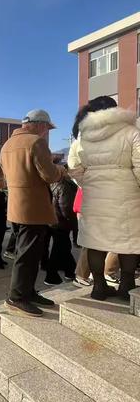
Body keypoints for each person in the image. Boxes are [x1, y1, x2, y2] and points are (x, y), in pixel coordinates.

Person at [68, 96, 140, 301]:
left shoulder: (83, 137)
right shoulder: (131, 132)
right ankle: (126, 285)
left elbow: (74, 167)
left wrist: (89, 183)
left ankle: (98, 286)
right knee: (129, 242)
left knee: (95, 241)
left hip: (94, 194)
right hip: (126, 192)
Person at [0, 109, 64, 317]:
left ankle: (27, 292)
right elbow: (50, 175)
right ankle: (16, 297)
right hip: (33, 208)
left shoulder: (7, 145)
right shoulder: (36, 143)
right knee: (28, 254)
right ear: (38, 124)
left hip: (17, 206)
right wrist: (61, 169)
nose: (46, 132)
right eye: (46, 127)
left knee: (27, 252)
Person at [72, 187, 120, 287]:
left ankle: (86, 275)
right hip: (91, 208)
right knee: (92, 242)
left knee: (95, 241)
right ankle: (83, 276)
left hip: (92, 207)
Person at [44, 163, 78, 285]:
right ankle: (51, 276)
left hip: (53, 221)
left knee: (64, 247)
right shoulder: (64, 186)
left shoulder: (51, 184)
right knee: (58, 249)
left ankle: (70, 271)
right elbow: (66, 208)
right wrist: (73, 223)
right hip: (62, 223)